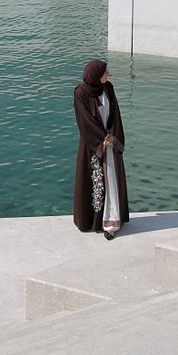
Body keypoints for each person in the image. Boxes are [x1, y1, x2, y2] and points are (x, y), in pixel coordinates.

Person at [73, 59, 129, 239]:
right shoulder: (81, 93)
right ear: (96, 75)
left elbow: (115, 114)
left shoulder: (108, 88)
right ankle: (94, 220)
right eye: (105, 72)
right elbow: (84, 120)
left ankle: (111, 221)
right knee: (97, 182)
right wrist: (101, 139)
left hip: (110, 142)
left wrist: (114, 137)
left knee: (111, 180)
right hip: (94, 145)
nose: (108, 75)